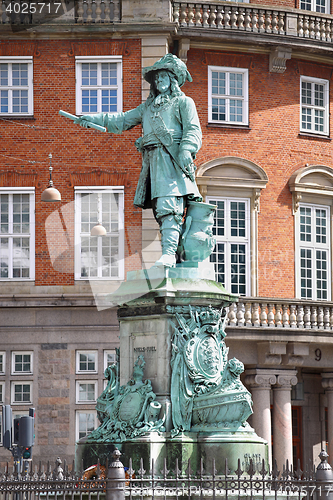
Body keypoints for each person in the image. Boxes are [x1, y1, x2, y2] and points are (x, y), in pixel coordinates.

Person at [74, 53, 203, 267]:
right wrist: (92, 118)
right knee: (161, 209)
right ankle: (175, 252)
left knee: (169, 205)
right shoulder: (147, 108)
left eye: (163, 76)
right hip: (153, 161)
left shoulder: (184, 102)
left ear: (172, 79)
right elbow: (121, 120)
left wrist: (186, 151)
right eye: (156, 78)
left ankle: (170, 254)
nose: (159, 81)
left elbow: (193, 130)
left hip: (172, 159)